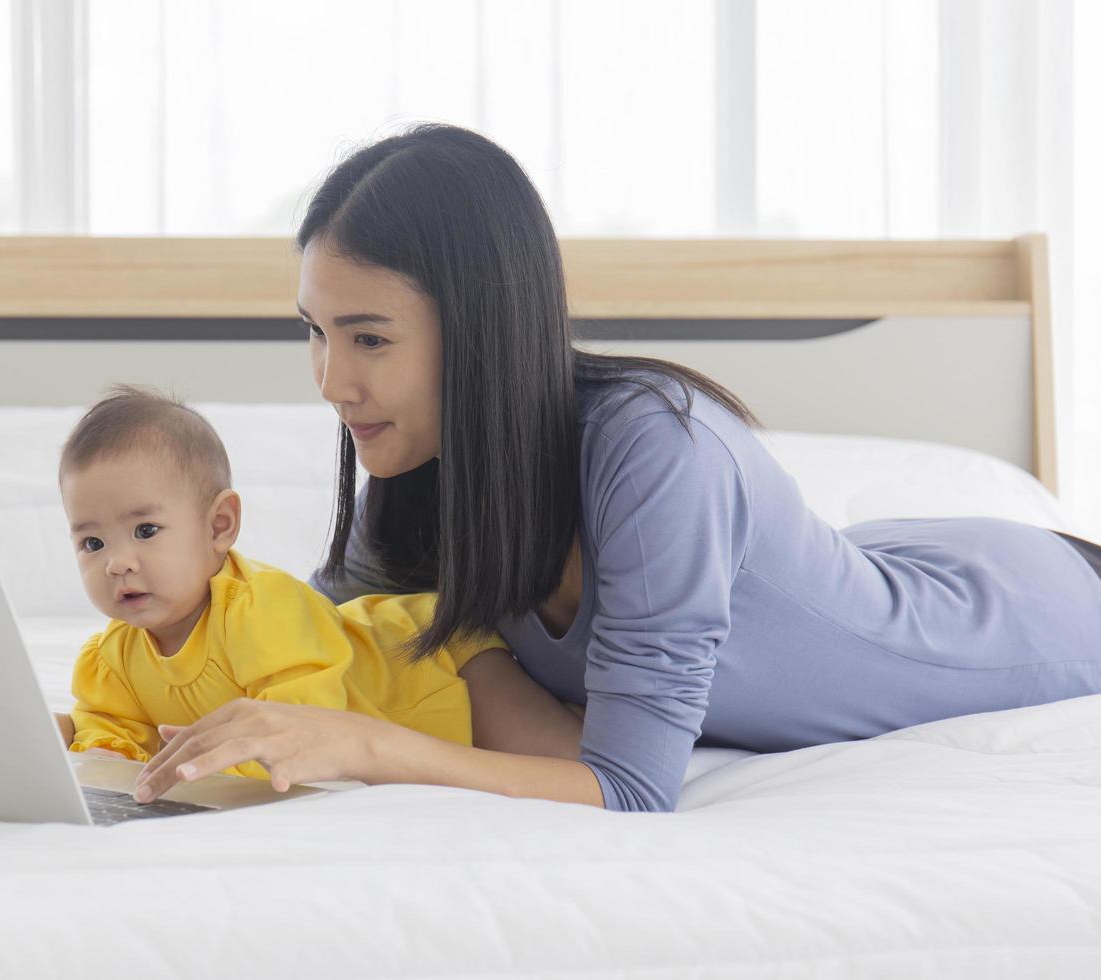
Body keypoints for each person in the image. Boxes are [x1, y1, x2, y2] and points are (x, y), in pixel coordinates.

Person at [130, 123, 1101, 811]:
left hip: (1022, 617)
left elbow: (631, 787)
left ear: (481, 329)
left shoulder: (653, 451)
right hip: (881, 562)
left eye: (371, 338)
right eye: (315, 333)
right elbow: (296, 638)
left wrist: (366, 745)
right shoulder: (425, 470)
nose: (334, 382)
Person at [58, 384, 583, 787]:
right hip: (412, 695)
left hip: (430, 663)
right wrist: (106, 759)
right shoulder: (113, 659)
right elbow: (111, 729)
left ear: (219, 526)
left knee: (570, 759)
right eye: (92, 543)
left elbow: (298, 731)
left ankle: (592, 704)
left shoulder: (261, 611)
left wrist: (200, 779)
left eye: (145, 531)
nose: (117, 564)